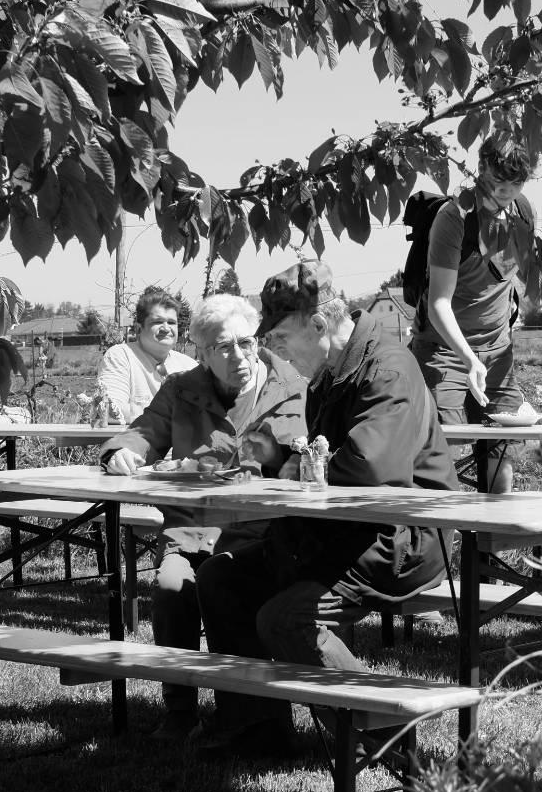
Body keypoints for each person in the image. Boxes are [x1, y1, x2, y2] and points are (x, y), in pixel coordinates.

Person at [192, 261, 459, 757]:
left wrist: (295, 468)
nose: (276, 352)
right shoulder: (330, 371)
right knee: (220, 578)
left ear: (318, 324)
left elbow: (371, 469)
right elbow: (325, 463)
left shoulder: (389, 367)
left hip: (400, 537)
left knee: (284, 618)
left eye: (280, 339)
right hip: (341, 530)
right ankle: (258, 730)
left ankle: (386, 737)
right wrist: (279, 457)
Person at [97, 294, 307, 740]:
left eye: (246, 343)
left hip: (258, 529)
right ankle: (180, 708)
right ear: (203, 353)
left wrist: (278, 458)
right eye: (224, 347)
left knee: (230, 586)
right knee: (172, 587)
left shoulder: (289, 387)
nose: (239, 356)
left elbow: (298, 456)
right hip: (191, 527)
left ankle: (248, 714)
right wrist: (122, 452)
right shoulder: (181, 389)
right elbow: (144, 432)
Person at [411, 134, 538, 494]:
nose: (506, 191)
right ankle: (437, 527)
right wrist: (469, 360)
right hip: (445, 351)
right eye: (498, 181)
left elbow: (513, 273)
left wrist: (513, 311)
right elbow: (438, 303)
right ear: (481, 169)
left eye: (516, 183)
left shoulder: (523, 211)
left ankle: (496, 527)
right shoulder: (455, 218)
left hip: (498, 350)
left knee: (501, 447)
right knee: (442, 449)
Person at [94, 287, 196, 424]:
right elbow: (108, 410)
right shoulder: (121, 356)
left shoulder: (190, 366)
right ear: (138, 329)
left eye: (172, 322)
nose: (166, 328)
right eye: (157, 322)